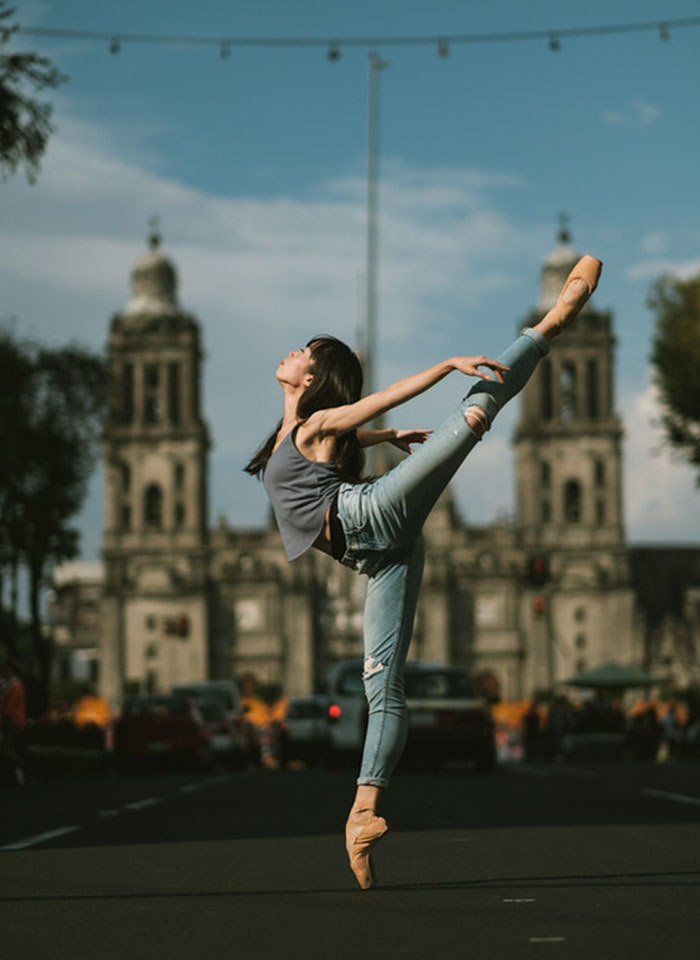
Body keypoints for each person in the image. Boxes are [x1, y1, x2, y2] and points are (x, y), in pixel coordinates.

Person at [246, 255, 602, 889]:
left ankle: (550, 324)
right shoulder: (291, 432)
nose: (291, 353)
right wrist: (388, 439)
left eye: (303, 350)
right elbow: (345, 443)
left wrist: (443, 367)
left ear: (313, 375)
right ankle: (362, 818)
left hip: (367, 515)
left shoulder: (315, 420)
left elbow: (365, 408)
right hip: (379, 553)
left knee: (471, 415)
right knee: (382, 684)